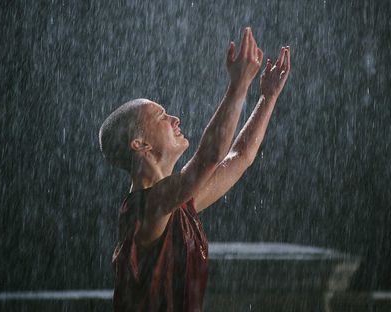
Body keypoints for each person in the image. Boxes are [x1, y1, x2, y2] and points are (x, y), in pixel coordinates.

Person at [98, 27, 290, 312]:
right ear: (140, 144)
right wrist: (238, 85)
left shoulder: (178, 205)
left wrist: (268, 96)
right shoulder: (146, 208)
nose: (175, 119)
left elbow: (240, 156)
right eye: (161, 116)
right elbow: (209, 158)